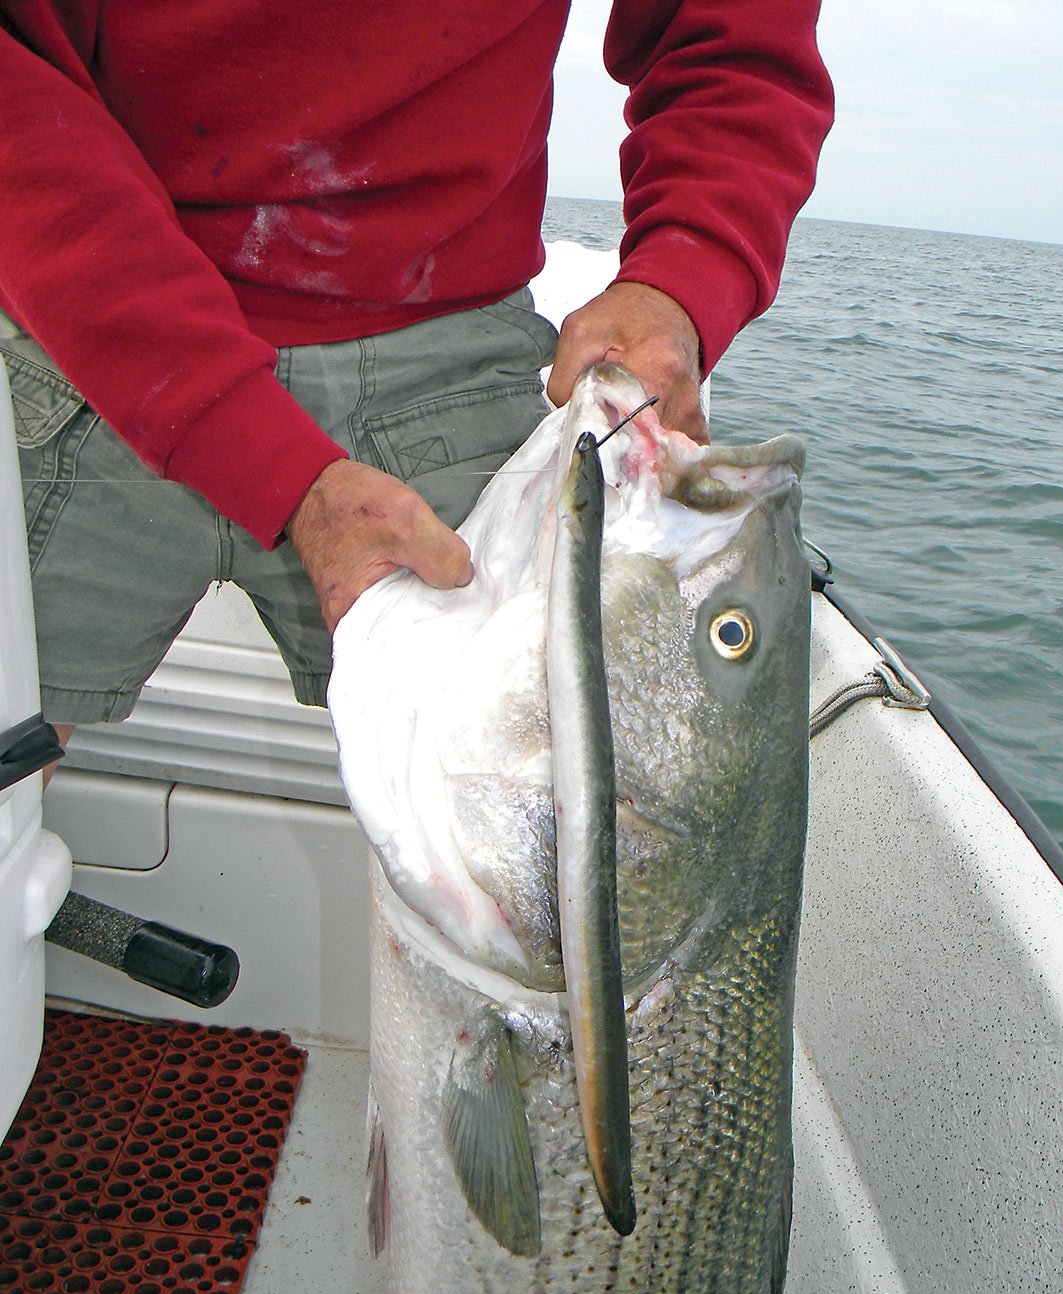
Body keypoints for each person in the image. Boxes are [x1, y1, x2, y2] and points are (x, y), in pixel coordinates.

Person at [0, 3, 833, 749]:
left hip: (443, 351)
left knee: (562, 794)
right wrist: (265, 460)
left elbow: (734, 37)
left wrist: (682, 277)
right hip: (80, 327)